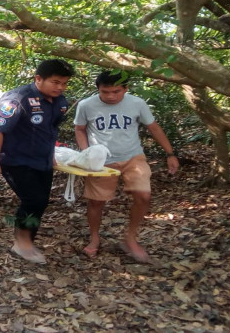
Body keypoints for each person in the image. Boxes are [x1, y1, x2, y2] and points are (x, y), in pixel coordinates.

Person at [73, 70, 179, 263]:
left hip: (133, 157)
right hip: (102, 161)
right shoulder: (86, 105)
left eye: (116, 91)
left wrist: (170, 154)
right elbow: (79, 129)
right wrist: (87, 153)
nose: (111, 96)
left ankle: (130, 237)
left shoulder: (137, 103)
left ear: (126, 89)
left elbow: (153, 127)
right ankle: (95, 238)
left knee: (143, 195)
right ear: (98, 89)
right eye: (105, 92)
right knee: (96, 202)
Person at [0, 59, 75, 264]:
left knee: (40, 201)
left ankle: (28, 240)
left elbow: (50, 131)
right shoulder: (17, 99)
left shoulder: (60, 102)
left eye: (64, 83)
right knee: (33, 200)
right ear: (38, 79)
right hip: (16, 159)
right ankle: (21, 243)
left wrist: (50, 156)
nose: (60, 87)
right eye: (56, 82)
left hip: (41, 161)